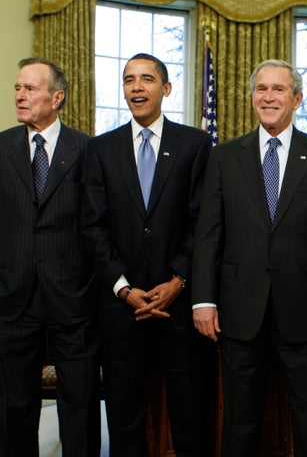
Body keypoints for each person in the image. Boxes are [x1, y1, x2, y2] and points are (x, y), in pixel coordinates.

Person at [191, 59, 307, 457]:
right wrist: (203, 299)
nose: (268, 97)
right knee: (240, 419)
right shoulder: (224, 156)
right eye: (261, 89)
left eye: (278, 89)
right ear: (251, 98)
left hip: (305, 310)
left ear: (297, 98)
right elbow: (209, 232)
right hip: (239, 310)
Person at [81, 53, 214, 457]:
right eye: (128, 80)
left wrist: (178, 281)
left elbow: (203, 223)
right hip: (123, 310)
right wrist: (124, 289)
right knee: (125, 419)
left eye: (147, 79)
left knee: (190, 418)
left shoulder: (195, 144)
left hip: (179, 307)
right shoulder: (100, 149)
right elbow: (92, 226)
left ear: (166, 88)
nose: (136, 87)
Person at [0, 57, 100, 456]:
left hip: (72, 299)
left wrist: (88, 289)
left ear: (57, 97)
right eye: (17, 88)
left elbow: (97, 227)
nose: (19, 96)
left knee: (79, 405)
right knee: (13, 406)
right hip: (10, 299)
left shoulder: (88, 149)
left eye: (29, 88)